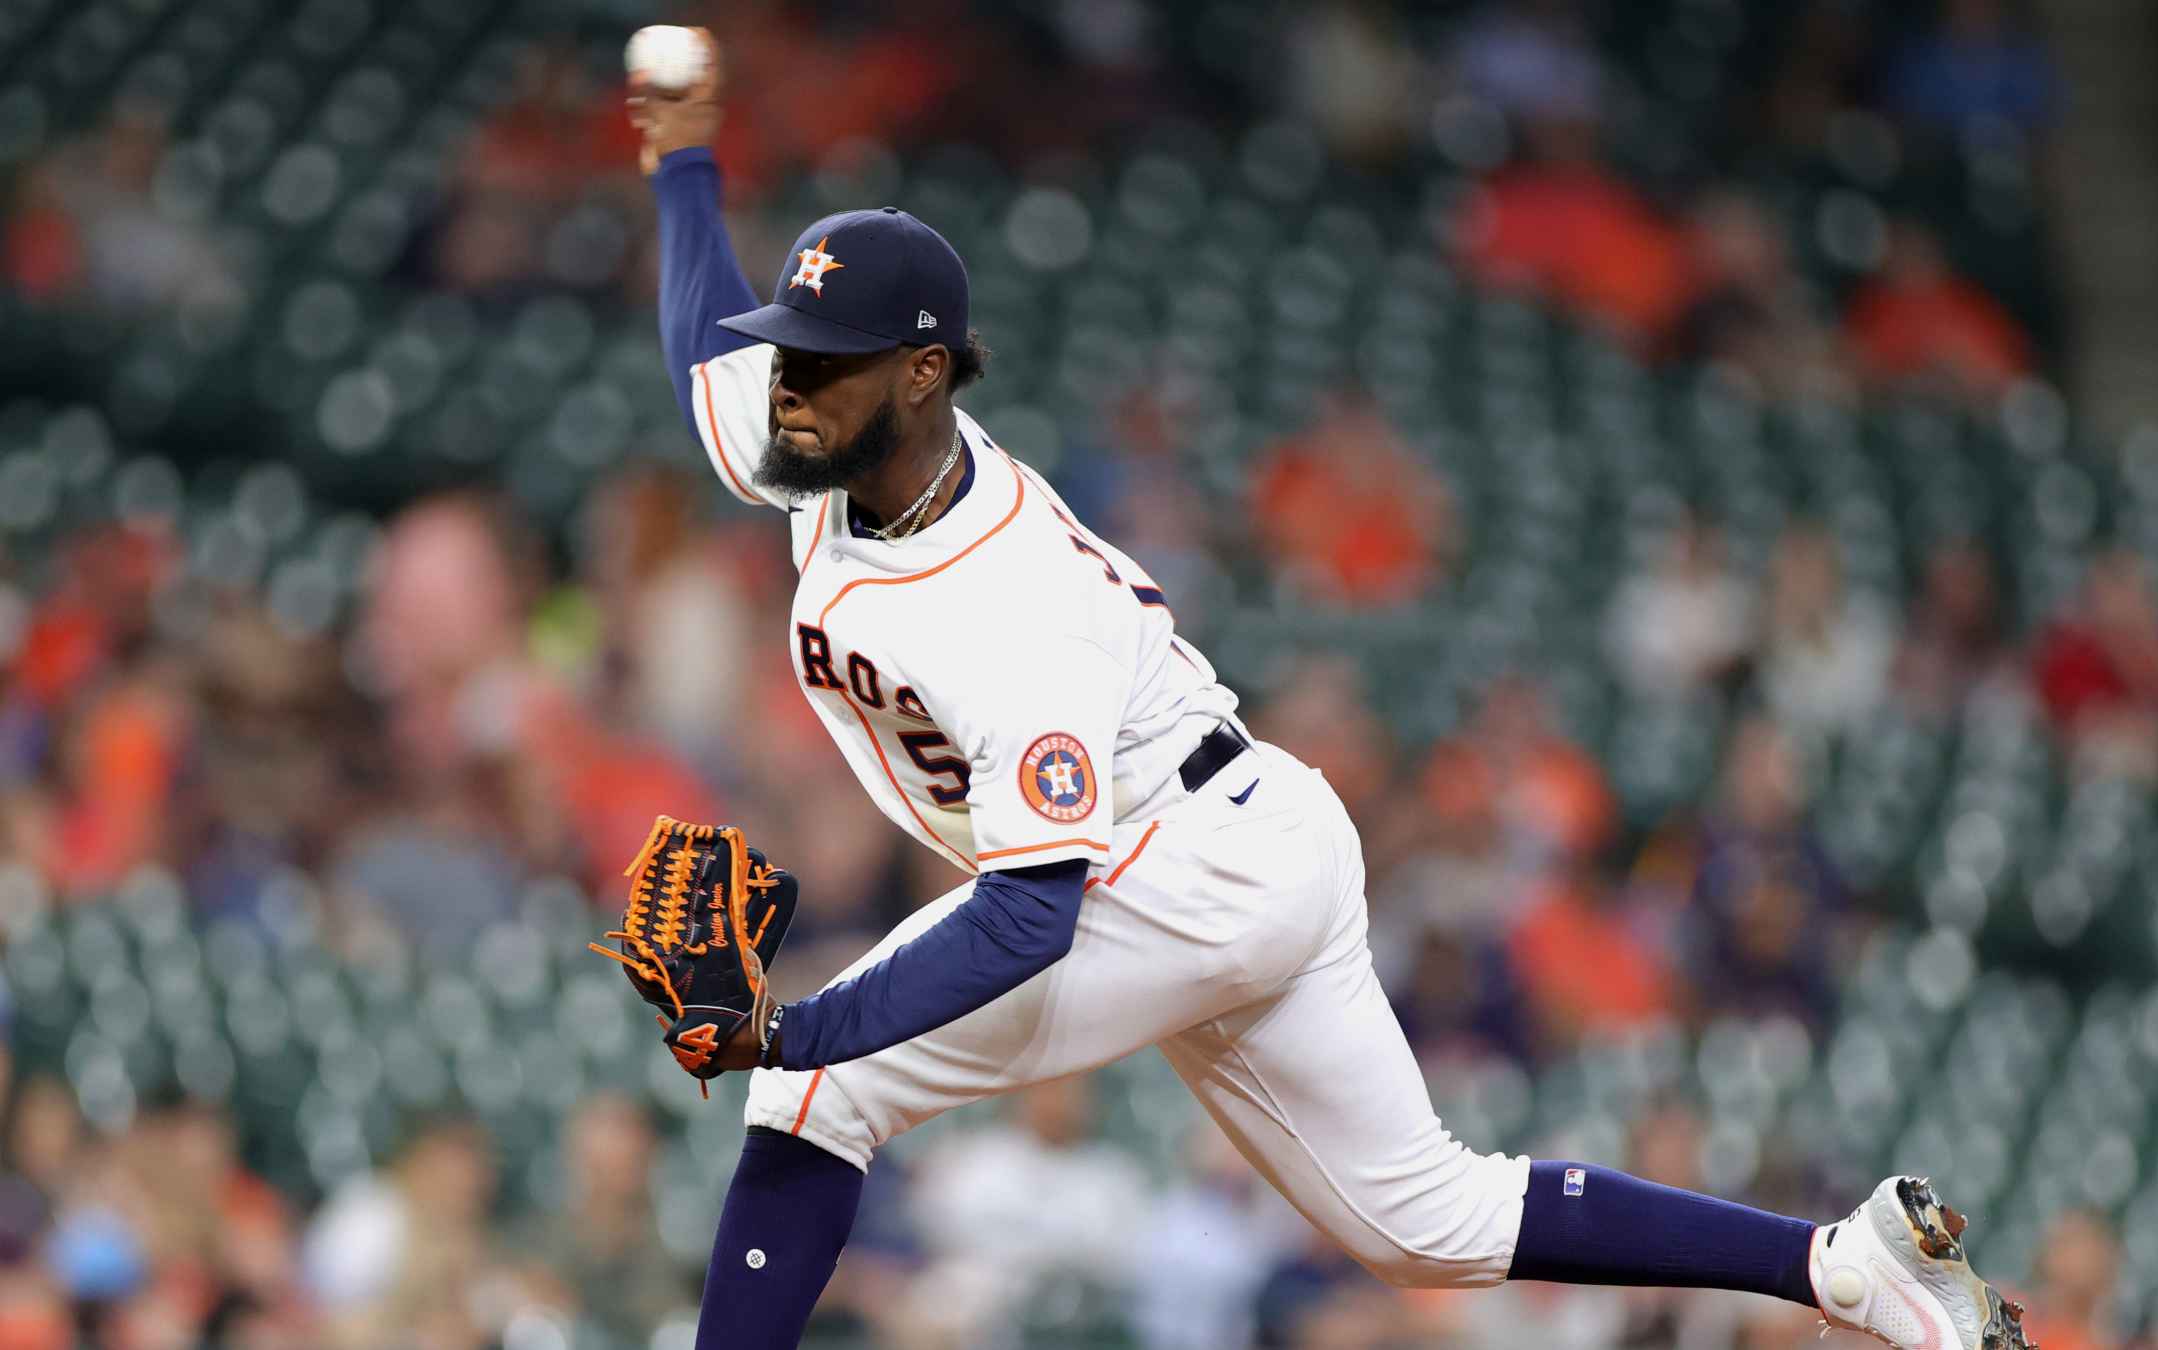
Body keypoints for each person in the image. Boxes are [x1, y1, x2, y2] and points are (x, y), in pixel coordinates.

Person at [625, 33, 2033, 1350]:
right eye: (792, 351)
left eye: (826, 362)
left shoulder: (1008, 612)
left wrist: (796, 1025)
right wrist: (684, 162)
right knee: (1428, 1221)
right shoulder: (828, 432)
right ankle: (1841, 1264)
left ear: (924, 375)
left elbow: (1029, 917)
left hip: (1172, 867)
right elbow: (704, 349)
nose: (789, 385)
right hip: (1239, 830)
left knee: (815, 1091)